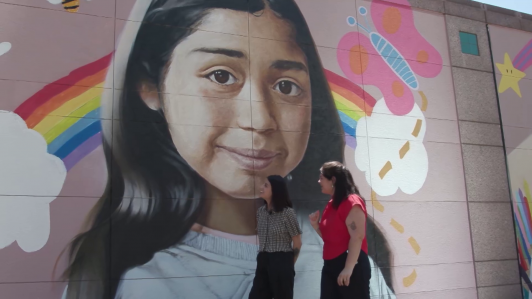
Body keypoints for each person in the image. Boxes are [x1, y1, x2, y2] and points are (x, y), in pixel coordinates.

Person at [60, 0, 395, 298]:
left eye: (286, 86)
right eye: (221, 76)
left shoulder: (336, 246)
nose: (260, 119)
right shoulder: (143, 281)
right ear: (149, 87)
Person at [309, 161, 371, 299]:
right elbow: (330, 238)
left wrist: (348, 268)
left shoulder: (351, 202)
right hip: (330, 266)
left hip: (350, 265)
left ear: (333, 180)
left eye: (322, 178)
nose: (319, 181)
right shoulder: (332, 204)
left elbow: (357, 237)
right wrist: (316, 226)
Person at [249, 175, 302, 299]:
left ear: (276, 190)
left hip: (281, 260)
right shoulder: (260, 212)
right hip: (263, 259)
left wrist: (289, 264)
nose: (262, 188)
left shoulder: (287, 213)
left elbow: (297, 242)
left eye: (266, 185)